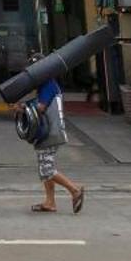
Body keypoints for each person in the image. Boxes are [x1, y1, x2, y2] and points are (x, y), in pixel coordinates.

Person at [16, 60, 85, 215]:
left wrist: (23, 107)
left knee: (47, 169)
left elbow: (40, 107)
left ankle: (74, 190)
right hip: (49, 132)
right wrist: (23, 106)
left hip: (50, 133)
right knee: (46, 167)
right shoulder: (46, 85)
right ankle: (50, 202)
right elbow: (38, 104)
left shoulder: (47, 84)